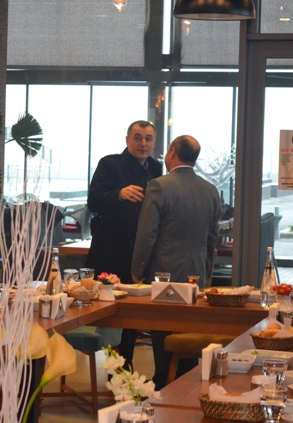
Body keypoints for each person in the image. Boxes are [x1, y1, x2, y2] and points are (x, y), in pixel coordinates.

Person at [131, 134, 220, 389]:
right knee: (190, 331)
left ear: (172, 152)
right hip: (196, 273)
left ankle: (164, 383)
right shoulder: (210, 190)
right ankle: (187, 384)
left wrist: (137, 269)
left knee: (163, 332)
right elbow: (212, 238)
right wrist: (205, 270)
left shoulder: (159, 186)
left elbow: (147, 233)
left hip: (164, 274)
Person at [86, 120, 162, 371]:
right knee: (113, 316)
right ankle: (116, 373)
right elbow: (93, 201)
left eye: (148, 138)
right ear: (127, 139)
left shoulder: (156, 168)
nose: (143, 143)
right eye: (137, 137)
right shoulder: (110, 164)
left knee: (133, 316)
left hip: (141, 253)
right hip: (112, 252)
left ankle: (126, 373)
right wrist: (119, 194)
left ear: (154, 142)